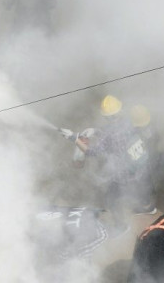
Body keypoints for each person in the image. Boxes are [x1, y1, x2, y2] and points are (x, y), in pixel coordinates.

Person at [62, 95, 155, 236]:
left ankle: (121, 226)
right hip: (140, 164)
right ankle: (148, 207)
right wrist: (96, 131)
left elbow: (92, 152)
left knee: (111, 199)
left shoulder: (109, 134)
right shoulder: (129, 121)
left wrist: (74, 139)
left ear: (106, 117)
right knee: (142, 185)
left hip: (125, 173)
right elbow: (113, 135)